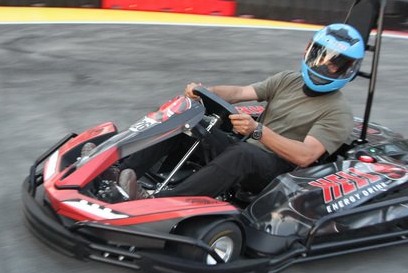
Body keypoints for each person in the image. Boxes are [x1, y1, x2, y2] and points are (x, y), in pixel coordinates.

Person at [117, 23, 366, 200]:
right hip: (248, 147)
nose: (325, 66)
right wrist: (206, 91)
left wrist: (258, 131)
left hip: (279, 173)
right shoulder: (288, 80)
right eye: (322, 56)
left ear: (349, 71)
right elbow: (239, 92)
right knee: (188, 123)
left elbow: (305, 156)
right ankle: (119, 175)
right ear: (309, 51)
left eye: (336, 64)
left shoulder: (338, 112)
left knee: (243, 154)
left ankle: (159, 202)